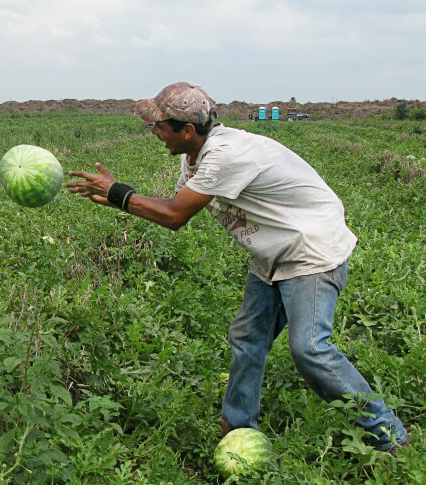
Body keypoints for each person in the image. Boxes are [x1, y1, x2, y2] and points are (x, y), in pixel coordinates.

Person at [65, 82, 408, 452]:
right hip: (274, 249)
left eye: (158, 125)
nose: (153, 132)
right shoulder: (195, 155)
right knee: (248, 337)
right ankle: (237, 425)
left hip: (310, 248)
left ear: (187, 130)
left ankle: (387, 433)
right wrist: (118, 197)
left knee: (310, 349)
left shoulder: (225, 155)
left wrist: (119, 193)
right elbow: (175, 204)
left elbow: (176, 215)